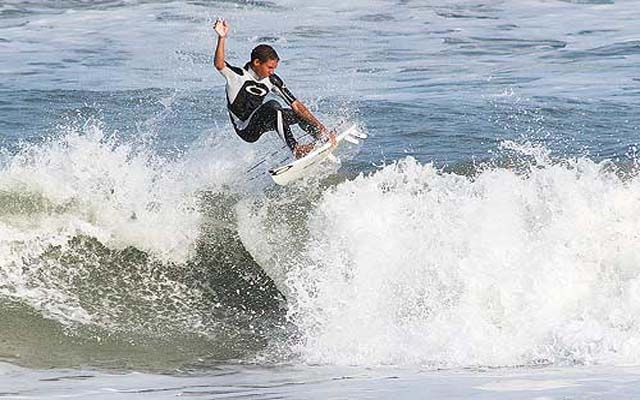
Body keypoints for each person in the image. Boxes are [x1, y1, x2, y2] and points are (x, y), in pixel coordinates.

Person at [213, 18, 335, 159]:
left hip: (263, 121)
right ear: (257, 62)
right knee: (273, 106)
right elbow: (219, 64)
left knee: (297, 114)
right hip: (246, 129)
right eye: (269, 67)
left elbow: (297, 106)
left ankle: (322, 138)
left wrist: (323, 129)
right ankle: (296, 149)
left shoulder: (272, 80)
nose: (272, 72)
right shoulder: (237, 76)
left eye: (274, 68)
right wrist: (222, 38)